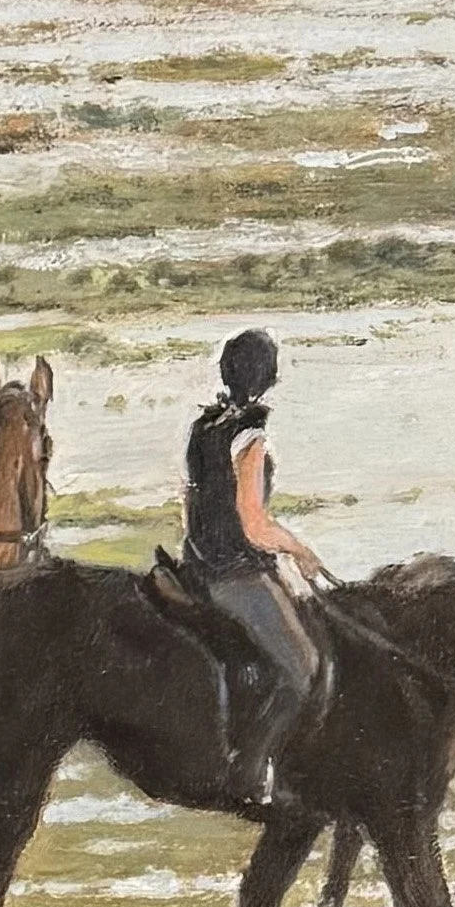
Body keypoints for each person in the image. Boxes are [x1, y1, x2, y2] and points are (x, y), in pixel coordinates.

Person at [181, 329, 327, 808]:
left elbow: (195, 503)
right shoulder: (250, 435)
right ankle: (252, 771)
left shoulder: (206, 427)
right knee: (305, 666)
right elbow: (254, 524)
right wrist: (300, 550)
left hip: (198, 564)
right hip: (234, 575)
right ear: (267, 377)